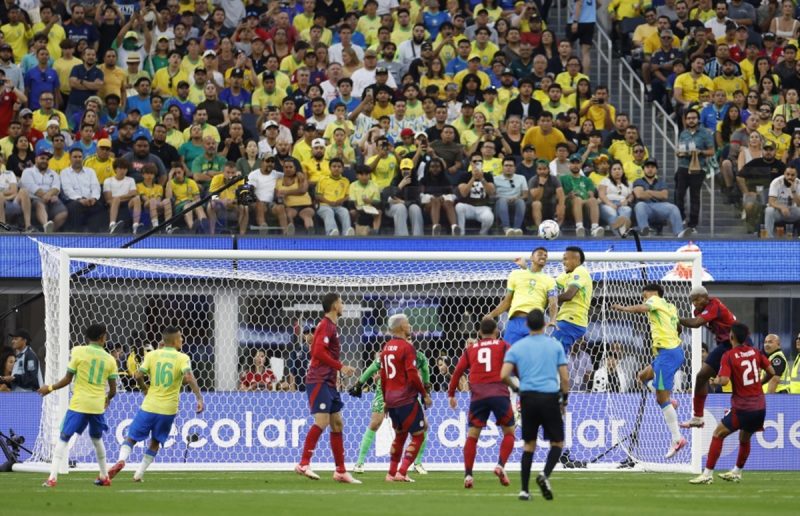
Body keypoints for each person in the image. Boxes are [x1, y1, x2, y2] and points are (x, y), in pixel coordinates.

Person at [108, 327, 204, 482]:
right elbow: (189, 377)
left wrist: (144, 389)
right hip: (168, 409)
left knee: (131, 437)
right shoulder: (182, 358)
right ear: (174, 341)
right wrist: (199, 398)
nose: (182, 340)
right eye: (180, 337)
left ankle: (121, 460)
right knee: (155, 441)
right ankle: (139, 474)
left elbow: (138, 375)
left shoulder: (152, 355)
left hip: (149, 405)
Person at [689, 322, 777, 484]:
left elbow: (724, 381)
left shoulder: (728, 355)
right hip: (760, 406)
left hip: (743, 406)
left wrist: (715, 380)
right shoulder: (756, 352)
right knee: (745, 438)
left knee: (718, 434)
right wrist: (759, 383)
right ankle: (737, 472)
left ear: (731, 337)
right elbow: (772, 372)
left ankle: (707, 474)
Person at [611, 283, 687, 459]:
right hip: (669, 352)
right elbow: (679, 328)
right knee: (642, 376)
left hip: (667, 354)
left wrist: (622, 308)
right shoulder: (671, 306)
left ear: (651, 292)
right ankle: (669, 400)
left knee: (661, 400)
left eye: (644, 292)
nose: (643, 295)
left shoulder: (655, 300)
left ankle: (677, 439)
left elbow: (641, 308)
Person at [37, 323, 118, 487]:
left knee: (63, 438)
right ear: (103, 337)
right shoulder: (110, 359)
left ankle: (52, 478)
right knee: (97, 440)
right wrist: (108, 398)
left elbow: (68, 379)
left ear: (88, 338)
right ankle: (104, 476)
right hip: (96, 405)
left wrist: (50, 388)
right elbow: (113, 389)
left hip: (79, 404)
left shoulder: (78, 352)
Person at [500, 309, 569, 502]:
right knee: (557, 443)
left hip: (528, 398)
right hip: (549, 397)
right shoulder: (554, 346)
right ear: (545, 324)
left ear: (527, 325)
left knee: (528, 445)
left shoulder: (517, 347)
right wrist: (564, 400)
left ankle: (524, 490)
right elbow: (564, 377)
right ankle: (544, 475)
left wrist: (517, 388)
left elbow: (504, 374)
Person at [295, 293, 360, 484]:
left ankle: (340, 471)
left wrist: (337, 372)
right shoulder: (324, 325)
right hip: (318, 380)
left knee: (337, 423)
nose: (343, 304)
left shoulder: (332, 327)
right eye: (341, 302)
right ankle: (303, 464)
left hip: (329, 382)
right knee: (322, 422)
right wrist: (341, 367)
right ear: (333, 306)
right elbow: (317, 352)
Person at [448, 319, 515, 489]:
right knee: (509, 433)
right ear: (496, 331)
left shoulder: (471, 349)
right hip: (499, 394)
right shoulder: (503, 345)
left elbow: (457, 371)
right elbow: (516, 366)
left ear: (479, 333)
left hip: (478, 396)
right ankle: (500, 465)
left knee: (472, 436)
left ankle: (468, 475)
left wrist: (451, 394)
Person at [350, 344, 432, 475]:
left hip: (407, 393)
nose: (408, 341)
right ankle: (359, 463)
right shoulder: (389, 353)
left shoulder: (419, 357)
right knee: (376, 422)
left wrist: (426, 390)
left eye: (410, 339)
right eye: (406, 339)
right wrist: (359, 383)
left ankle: (417, 463)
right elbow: (372, 368)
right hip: (385, 390)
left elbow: (425, 371)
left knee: (424, 425)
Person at [380, 313, 432, 482]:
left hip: (391, 400)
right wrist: (424, 394)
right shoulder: (407, 348)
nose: (410, 326)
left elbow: (383, 376)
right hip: (406, 399)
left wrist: (386, 400)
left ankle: (391, 473)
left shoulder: (386, 348)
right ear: (402, 327)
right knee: (418, 435)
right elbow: (412, 374)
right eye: (408, 323)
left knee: (400, 435)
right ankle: (402, 472)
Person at [678, 285, 737, 428]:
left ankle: (739, 409)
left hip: (738, 343)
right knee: (701, 376)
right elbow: (696, 324)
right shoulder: (698, 310)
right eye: (692, 301)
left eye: (697, 300)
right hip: (725, 345)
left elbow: (696, 322)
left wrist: (676, 319)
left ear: (705, 297)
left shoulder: (714, 304)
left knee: (737, 378)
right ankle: (698, 418)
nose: (694, 303)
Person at [484, 247, 558, 345]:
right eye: (540, 254)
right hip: (514, 322)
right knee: (509, 355)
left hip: (534, 323)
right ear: (531, 258)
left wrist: (553, 319)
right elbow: (507, 301)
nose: (543, 256)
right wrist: (491, 315)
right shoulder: (515, 274)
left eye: (545, 256)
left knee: (532, 357)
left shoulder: (550, 280)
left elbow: (553, 302)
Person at [764, 165, 800, 238]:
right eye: (787, 174)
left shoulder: (798, 183)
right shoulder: (776, 182)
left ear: (796, 175)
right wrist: (782, 207)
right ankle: (769, 238)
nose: (789, 177)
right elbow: (771, 201)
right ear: (784, 174)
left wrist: (793, 190)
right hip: (777, 212)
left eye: (792, 175)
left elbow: (799, 204)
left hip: (791, 211)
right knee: (769, 210)